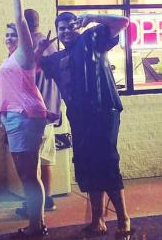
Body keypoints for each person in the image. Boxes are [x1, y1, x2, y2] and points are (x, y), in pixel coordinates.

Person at [36, 12, 134, 239]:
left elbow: (122, 22)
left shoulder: (92, 38)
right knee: (87, 165)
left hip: (103, 112)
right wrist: (40, 48)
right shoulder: (56, 58)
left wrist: (92, 16)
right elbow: (31, 67)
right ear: (57, 32)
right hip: (78, 117)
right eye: (61, 28)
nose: (66, 31)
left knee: (106, 163)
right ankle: (97, 220)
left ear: (78, 27)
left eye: (70, 26)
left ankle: (123, 219)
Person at [0, 0, 48, 238]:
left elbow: (20, 20)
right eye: (6, 35)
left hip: (24, 117)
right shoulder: (14, 59)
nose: (9, 38)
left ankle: (36, 226)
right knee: (27, 174)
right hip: (17, 118)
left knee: (28, 175)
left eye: (13, 35)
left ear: (22, 37)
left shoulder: (23, 53)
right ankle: (37, 223)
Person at [15, 8, 60, 218]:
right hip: (51, 110)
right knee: (46, 159)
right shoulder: (50, 44)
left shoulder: (26, 46)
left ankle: (33, 206)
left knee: (30, 164)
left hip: (33, 112)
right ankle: (48, 198)